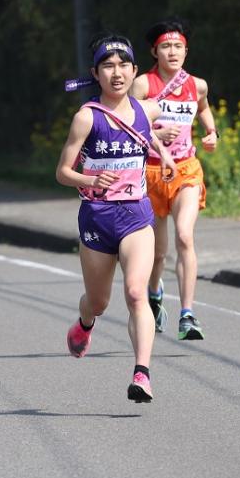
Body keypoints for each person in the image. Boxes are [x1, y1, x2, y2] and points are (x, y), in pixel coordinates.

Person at [56, 35, 177, 403]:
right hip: (97, 218)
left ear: (135, 71)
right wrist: (89, 179)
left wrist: (164, 151)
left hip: (136, 215)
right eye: (108, 66)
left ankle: (142, 374)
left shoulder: (147, 109)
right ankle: (85, 323)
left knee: (137, 292)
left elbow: (144, 132)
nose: (117, 73)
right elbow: (62, 171)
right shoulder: (86, 117)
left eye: (124, 65)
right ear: (96, 73)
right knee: (99, 301)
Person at [131, 18, 218, 341]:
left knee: (185, 236)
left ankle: (187, 314)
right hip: (150, 172)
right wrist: (154, 131)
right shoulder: (143, 85)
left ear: (186, 50)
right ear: (155, 51)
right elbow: (130, 122)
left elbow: (205, 109)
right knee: (157, 253)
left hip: (186, 169)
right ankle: (155, 293)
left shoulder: (197, 85)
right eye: (166, 46)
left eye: (178, 46)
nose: (172, 52)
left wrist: (212, 133)